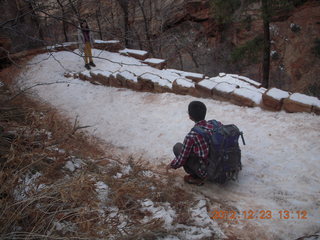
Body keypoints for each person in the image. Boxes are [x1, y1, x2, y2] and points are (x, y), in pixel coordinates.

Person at [166, 101, 222, 186]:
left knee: (177, 147)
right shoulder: (216, 125)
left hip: (208, 172)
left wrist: (172, 165)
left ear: (190, 116)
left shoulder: (191, 136)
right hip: (222, 165)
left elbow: (182, 159)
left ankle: (197, 177)